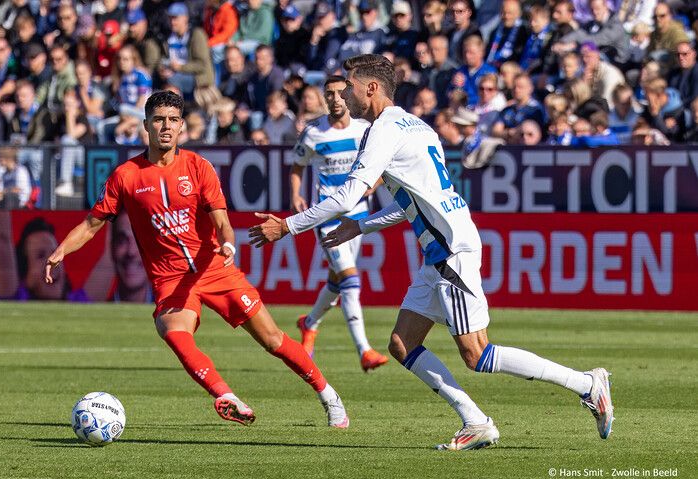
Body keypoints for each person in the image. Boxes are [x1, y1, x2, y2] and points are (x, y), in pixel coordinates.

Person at [249, 54, 613, 450]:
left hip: (449, 249)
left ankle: (587, 384)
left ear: (371, 88)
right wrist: (362, 224)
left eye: (350, 87)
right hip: (440, 247)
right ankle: (474, 421)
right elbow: (416, 198)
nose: (344, 96)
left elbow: (349, 195)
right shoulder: (416, 125)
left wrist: (287, 225)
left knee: (477, 354)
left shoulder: (382, 131)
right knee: (402, 344)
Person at [45, 90, 349, 428]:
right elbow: (92, 224)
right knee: (173, 331)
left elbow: (222, 221)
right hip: (171, 279)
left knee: (273, 339)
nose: (166, 126)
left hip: (214, 268)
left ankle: (328, 395)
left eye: (173, 120)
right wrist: (61, 250)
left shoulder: (198, 166)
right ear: (145, 125)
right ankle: (226, 396)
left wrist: (229, 245)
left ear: (181, 128)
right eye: (159, 119)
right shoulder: (126, 176)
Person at [290, 74, 388, 371]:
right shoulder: (313, 133)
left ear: (348, 94)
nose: (334, 99)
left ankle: (309, 324)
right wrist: (295, 194)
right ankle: (365, 350)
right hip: (327, 215)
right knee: (350, 278)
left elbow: (384, 163)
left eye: (338, 93)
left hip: (359, 215)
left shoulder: (364, 129)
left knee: (337, 281)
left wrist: (375, 183)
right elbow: (297, 166)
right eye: (328, 94)